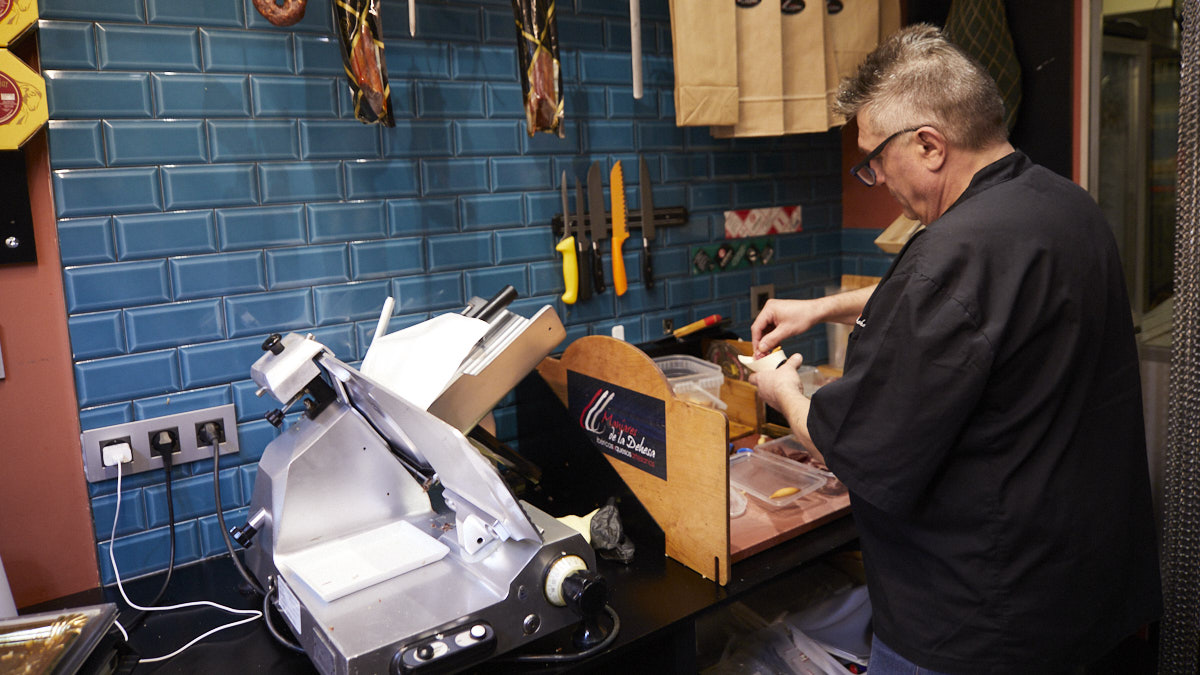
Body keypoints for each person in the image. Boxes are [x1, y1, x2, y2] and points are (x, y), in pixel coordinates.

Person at [750, 24, 1161, 674]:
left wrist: (783, 390)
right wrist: (824, 306)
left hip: (979, 627)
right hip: (1086, 600)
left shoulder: (949, 256)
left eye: (874, 158)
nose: (875, 178)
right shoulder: (1065, 206)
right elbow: (978, 307)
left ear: (929, 145)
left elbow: (854, 447)